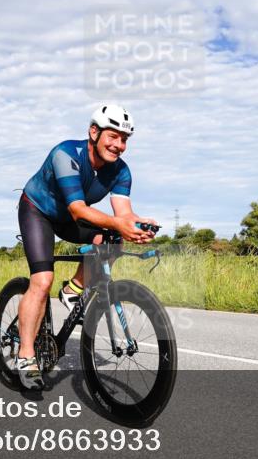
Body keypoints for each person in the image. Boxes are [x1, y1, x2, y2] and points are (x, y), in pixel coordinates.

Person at [15, 104, 157, 389]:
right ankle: (26, 354)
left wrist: (136, 224)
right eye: (113, 136)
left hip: (69, 217)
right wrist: (119, 223)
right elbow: (79, 209)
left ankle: (73, 289)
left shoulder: (121, 171)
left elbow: (123, 214)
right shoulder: (66, 154)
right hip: (38, 212)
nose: (119, 145)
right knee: (42, 281)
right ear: (94, 132)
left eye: (125, 139)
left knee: (113, 240)